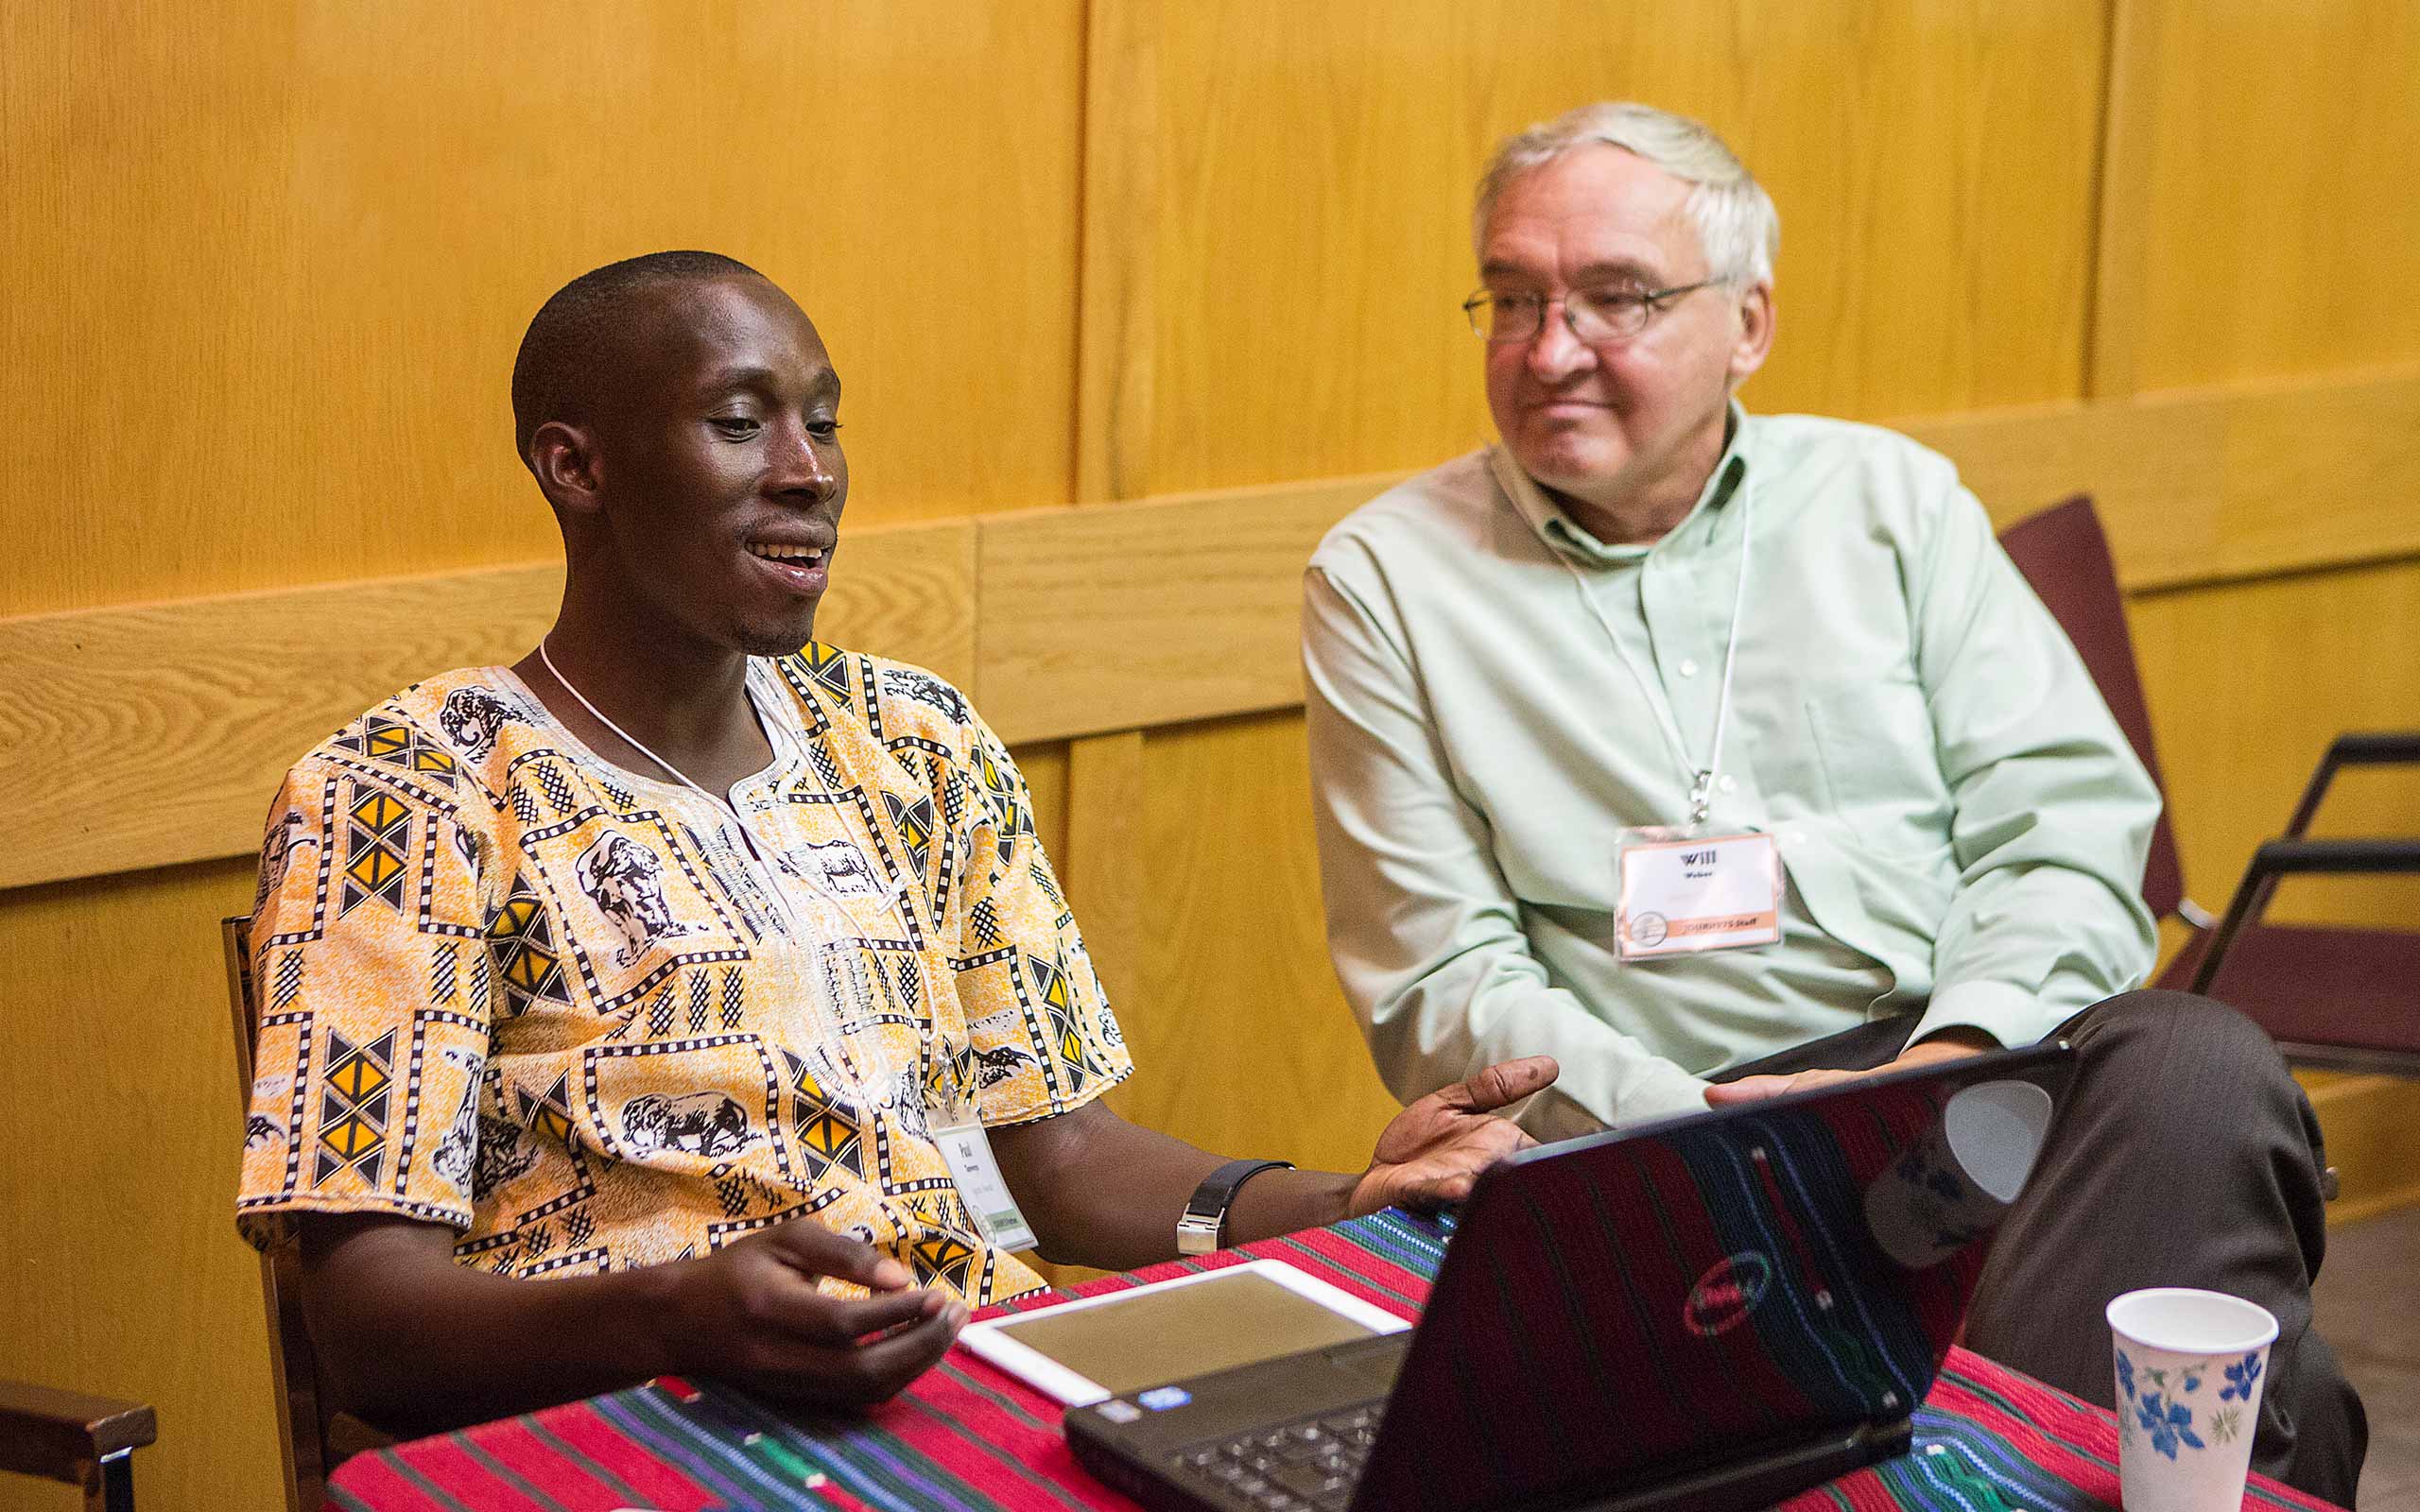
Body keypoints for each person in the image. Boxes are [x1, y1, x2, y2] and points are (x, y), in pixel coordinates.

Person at [234, 249, 1556, 1437]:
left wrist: (1347, 1202)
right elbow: (370, 1331)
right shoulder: (407, 793)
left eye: (822, 422)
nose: (807, 470)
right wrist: (676, 1316)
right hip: (637, 1429)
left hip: (970, 1399)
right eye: (740, 424)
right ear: (574, 465)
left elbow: (1070, 1164)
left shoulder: (913, 741)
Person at [1301, 103, 2363, 1500]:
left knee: (2199, 1063)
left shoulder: (1890, 503)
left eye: (1615, 299)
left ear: (1748, 323)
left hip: (1976, 1082)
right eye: (1513, 299)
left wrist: (1951, 1059)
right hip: (1664, 1137)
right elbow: (1445, 975)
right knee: (2284, 1395)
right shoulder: (1387, 579)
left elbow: (2065, 827)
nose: (1549, 350)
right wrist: (1740, 1139)